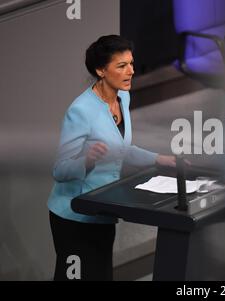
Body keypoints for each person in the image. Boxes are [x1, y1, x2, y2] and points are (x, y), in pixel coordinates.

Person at [47, 35, 176, 281]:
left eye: (131, 63)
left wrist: (159, 159)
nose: (131, 71)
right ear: (100, 70)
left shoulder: (123, 97)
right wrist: (87, 160)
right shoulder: (81, 111)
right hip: (74, 216)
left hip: (102, 210)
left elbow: (120, 148)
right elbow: (60, 170)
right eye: (122, 66)